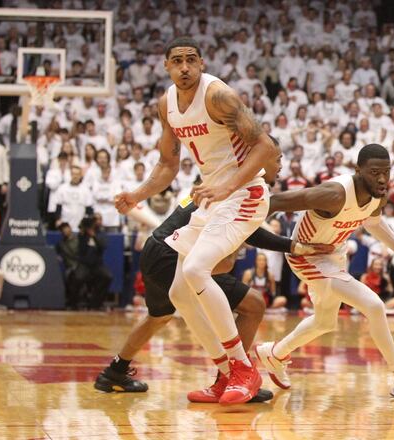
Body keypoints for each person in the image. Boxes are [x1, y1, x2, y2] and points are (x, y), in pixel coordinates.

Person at [114, 37, 278, 405]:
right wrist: (137, 195)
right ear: (166, 67)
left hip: (246, 193)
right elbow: (168, 164)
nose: (185, 67)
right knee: (178, 294)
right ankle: (224, 375)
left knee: (197, 270)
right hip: (214, 199)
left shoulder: (218, 95)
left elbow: (266, 147)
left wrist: (226, 186)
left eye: (191, 60)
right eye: (177, 61)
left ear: (201, 64)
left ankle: (242, 368)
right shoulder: (166, 105)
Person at [94, 184, 332, 399]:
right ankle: (234, 378)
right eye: (275, 158)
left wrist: (292, 247)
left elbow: (248, 229)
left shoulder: (220, 180)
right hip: (173, 254)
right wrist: (293, 246)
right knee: (253, 305)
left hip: (156, 249)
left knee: (158, 317)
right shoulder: (238, 185)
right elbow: (248, 233)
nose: (278, 165)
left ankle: (114, 372)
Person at [254, 144, 394, 392]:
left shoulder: (379, 193)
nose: (382, 178)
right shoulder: (334, 193)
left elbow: (373, 223)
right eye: (374, 172)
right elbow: (273, 202)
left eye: (387, 171)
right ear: (358, 170)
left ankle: (274, 354)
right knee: (374, 305)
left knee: (325, 322)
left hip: (335, 254)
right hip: (305, 256)